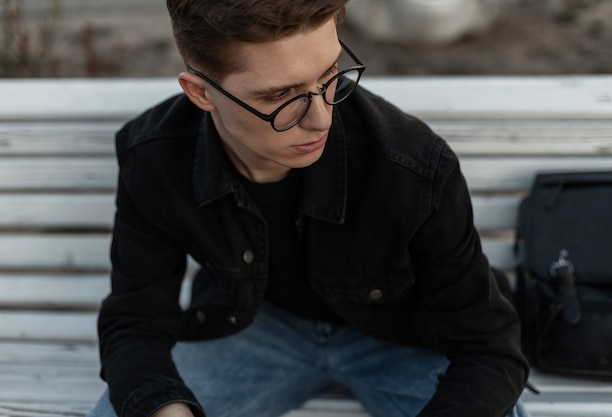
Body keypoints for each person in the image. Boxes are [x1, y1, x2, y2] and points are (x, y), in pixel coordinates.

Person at [87, 1, 530, 417]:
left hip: (406, 338)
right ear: (201, 93)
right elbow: (136, 319)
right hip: (256, 328)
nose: (320, 117)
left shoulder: (412, 166)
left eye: (330, 74)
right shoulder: (154, 157)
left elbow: (489, 348)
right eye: (282, 97)